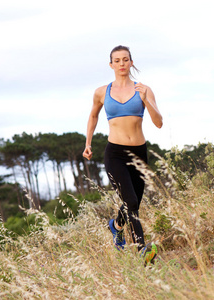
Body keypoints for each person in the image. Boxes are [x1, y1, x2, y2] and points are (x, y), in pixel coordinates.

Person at [83, 45, 163, 264]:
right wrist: (88, 143)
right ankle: (142, 251)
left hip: (139, 153)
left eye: (125, 60)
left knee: (134, 201)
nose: (121, 64)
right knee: (131, 201)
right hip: (115, 153)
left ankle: (116, 226)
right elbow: (92, 117)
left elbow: (159, 123)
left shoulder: (144, 89)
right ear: (111, 65)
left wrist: (146, 100)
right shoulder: (102, 92)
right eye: (117, 60)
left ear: (131, 62)